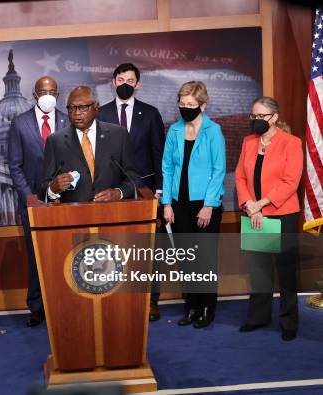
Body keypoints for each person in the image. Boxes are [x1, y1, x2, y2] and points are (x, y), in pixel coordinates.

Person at [98, 63, 166, 321]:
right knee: (114, 247)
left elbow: (158, 154)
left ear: (138, 84)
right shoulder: (100, 113)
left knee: (147, 249)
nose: (125, 83)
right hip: (110, 193)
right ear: (113, 81)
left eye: (130, 79)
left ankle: (151, 302)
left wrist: (160, 191)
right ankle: (117, 301)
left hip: (144, 191)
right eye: (121, 78)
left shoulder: (150, 114)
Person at [235, 96, 303, 341]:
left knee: (285, 271)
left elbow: (290, 182)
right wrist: (249, 205)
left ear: (274, 117)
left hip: (282, 214)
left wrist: (262, 204)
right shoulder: (248, 142)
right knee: (259, 270)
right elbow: (241, 177)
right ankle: (257, 317)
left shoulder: (291, 143)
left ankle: (289, 322)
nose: (255, 121)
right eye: (253, 116)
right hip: (254, 214)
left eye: (261, 116)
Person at [161, 81, 225, 329]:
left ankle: (208, 307)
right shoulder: (174, 131)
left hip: (205, 204)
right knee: (187, 259)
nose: (185, 108)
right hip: (179, 203)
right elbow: (167, 168)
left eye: (190, 104)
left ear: (202, 105)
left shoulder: (213, 131)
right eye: (182, 104)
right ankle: (192, 307)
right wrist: (167, 203)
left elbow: (219, 170)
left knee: (205, 259)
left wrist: (209, 205)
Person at [8, 76, 69, 327]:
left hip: (65, 202)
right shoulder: (19, 123)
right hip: (33, 202)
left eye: (53, 91)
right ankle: (36, 306)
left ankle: (64, 303)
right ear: (34, 94)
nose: (48, 96)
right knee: (36, 256)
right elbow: (15, 165)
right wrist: (30, 198)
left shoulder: (68, 120)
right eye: (44, 91)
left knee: (65, 254)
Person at [39, 85, 140, 203]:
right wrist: (52, 189)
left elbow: (133, 178)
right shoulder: (55, 141)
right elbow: (44, 188)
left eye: (82, 107)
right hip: (73, 216)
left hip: (112, 213)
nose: (76, 113)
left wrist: (119, 192)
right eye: (71, 108)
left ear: (96, 108)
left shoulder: (119, 135)